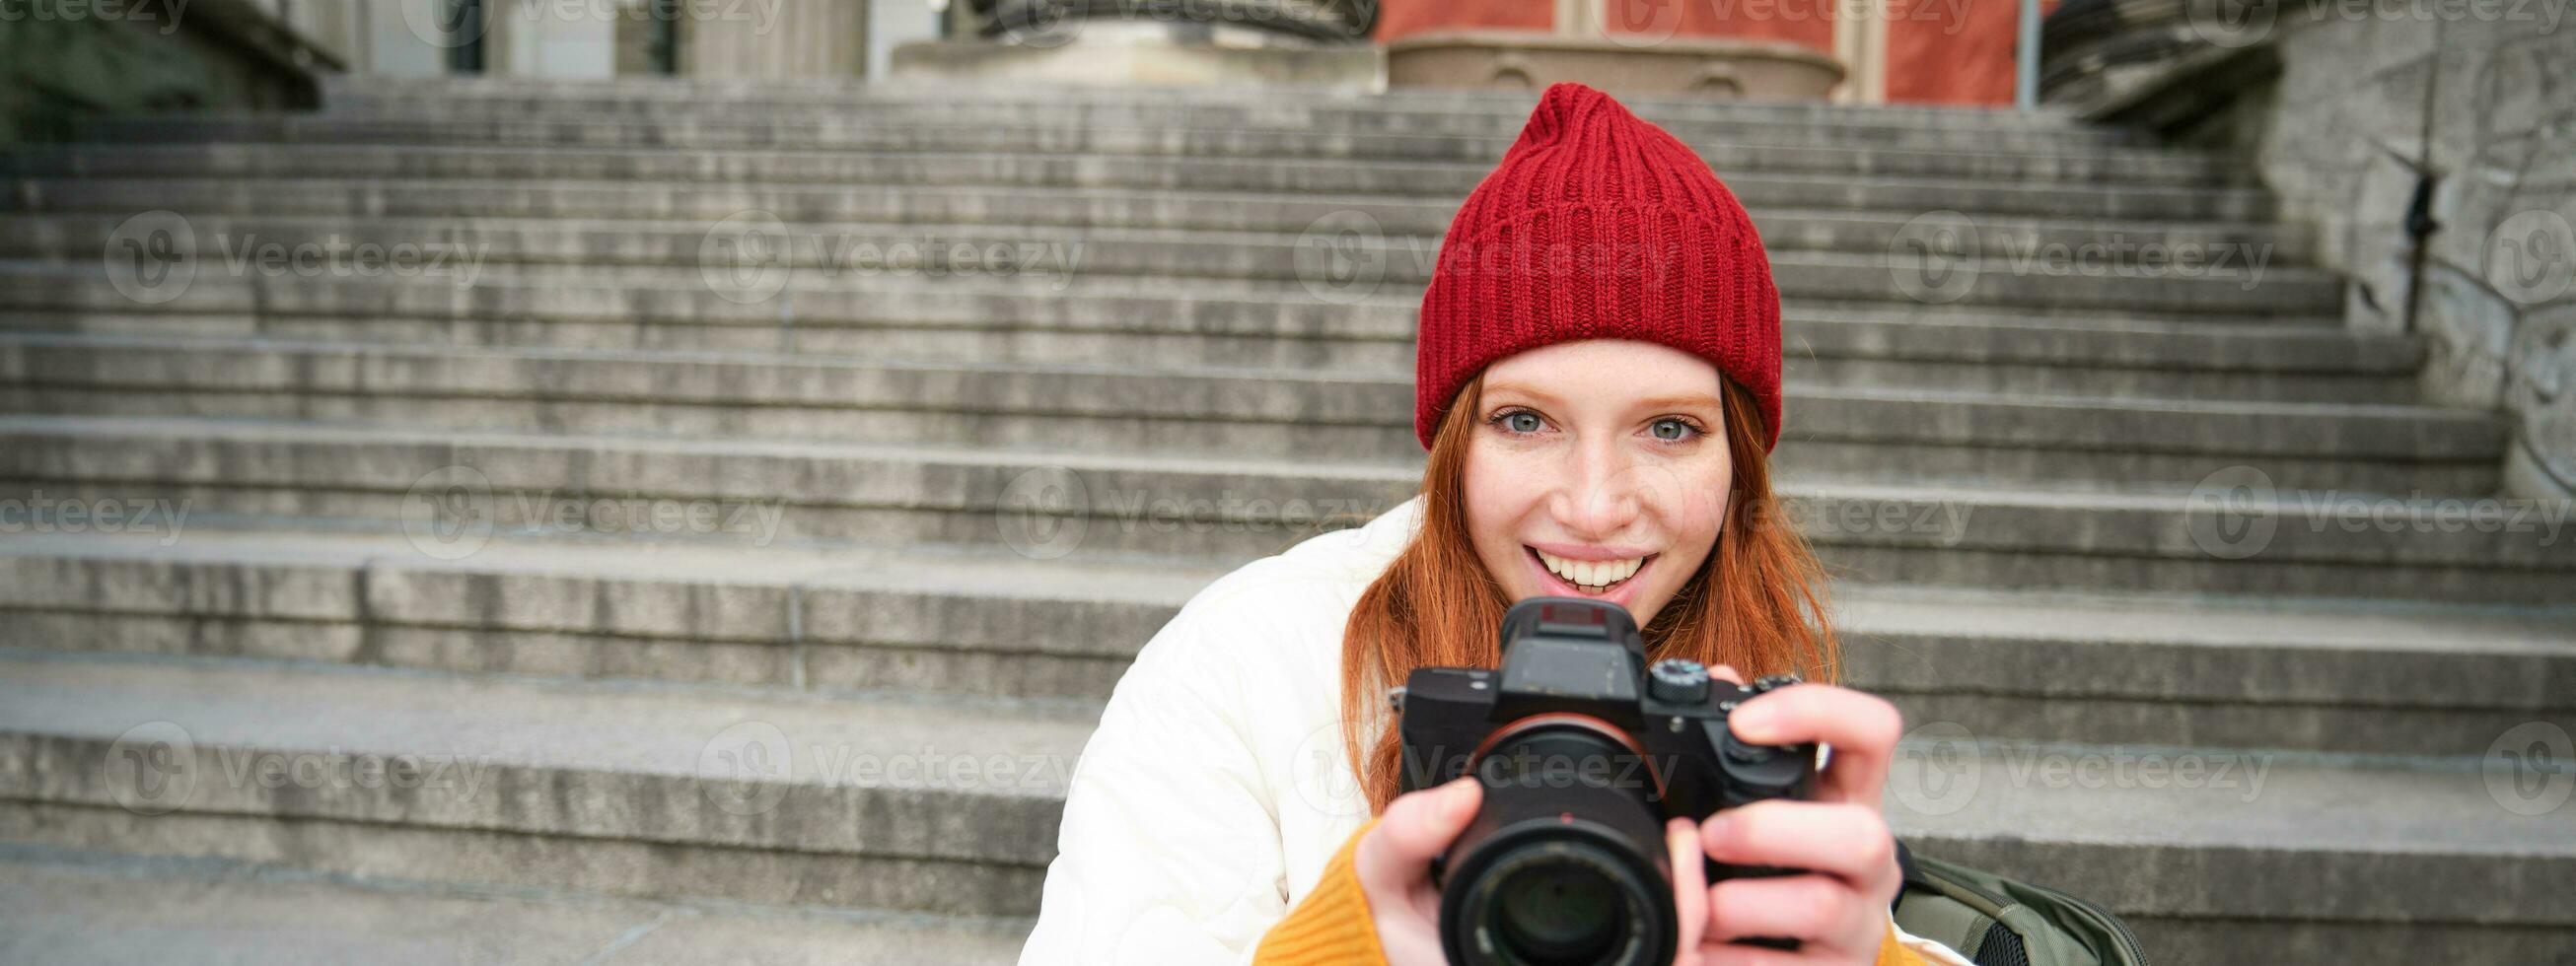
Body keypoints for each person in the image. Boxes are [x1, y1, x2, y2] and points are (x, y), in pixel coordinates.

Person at [1018, 82, 1971, 966]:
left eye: (1670, 428)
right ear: (1452, 445)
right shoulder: (1247, 665)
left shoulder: (1742, 684)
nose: (1594, 509)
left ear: (1740, 461)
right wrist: (1354, 943)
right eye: (1525, 420)